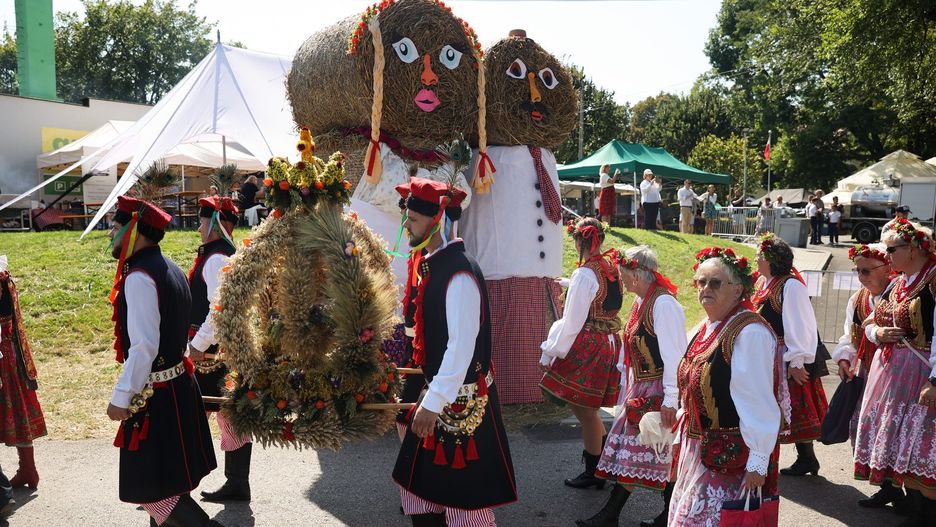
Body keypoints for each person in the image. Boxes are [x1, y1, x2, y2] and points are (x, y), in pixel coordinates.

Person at [392, 178, 516, 526]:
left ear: (437, 221)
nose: (407, 226)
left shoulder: (458, 274)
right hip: (441, 394)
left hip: (459, 404)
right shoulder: (437, 264)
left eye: (413, 220)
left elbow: (461, 346)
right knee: (419, 493)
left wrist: (433, 402)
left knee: (464, 503)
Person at [106, 196, 220, 527]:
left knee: (155, 492)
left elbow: (144, 347)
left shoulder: (140, 277)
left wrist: (121, 396)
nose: (110, 234)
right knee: (167, 485)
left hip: (157, 397)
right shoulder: (169, 267)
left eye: (115, 227)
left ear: (135, 231)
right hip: (177, 387)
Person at [670, 247, 785, 526]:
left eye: (715, 282)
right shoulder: (707, 326)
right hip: (701, 448)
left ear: (737, 290)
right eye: (701, 282)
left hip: (732, 456)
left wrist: (758, 461)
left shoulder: (749, 332)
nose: (705, 288)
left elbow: (759, 402)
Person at [579, 246, 685, 527]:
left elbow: (675, 356)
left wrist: (671, 399)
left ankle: (611, 515)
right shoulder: (642, 301)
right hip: (642, 388)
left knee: (646, 452)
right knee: (654, 454)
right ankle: (665, 516)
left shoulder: (663, 304)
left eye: (623, 275)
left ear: (636, 275)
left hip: (659, 390)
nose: (621, 281)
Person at [858, 219, 936, 524]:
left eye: (892, 249)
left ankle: (925, 513)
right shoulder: (897, 282)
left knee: (920, 442)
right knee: (901, 439)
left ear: (913, 249)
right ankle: (910, 506)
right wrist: (878, 333)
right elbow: (870, 322)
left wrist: (935, 381)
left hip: (921, 373)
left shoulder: (932, 280)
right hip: (893, 374)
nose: (886, 254)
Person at [541, 217, 622, 490]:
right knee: (588, 408)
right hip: (609, 341)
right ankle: (604, 463)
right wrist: (570, 283)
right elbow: (597, 293)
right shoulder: (610, 267)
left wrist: (550, 351)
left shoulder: (585, 273)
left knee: (584, 409)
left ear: (578, 242)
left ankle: (595, 471)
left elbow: (572, 322)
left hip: (590, 345)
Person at [186, 197, 253, 503]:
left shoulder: (216, 258)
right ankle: (236, 482)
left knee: (197, 413)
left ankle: (177, 487)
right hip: (216, 349)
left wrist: (197, 345)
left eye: (202, 222)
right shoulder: (219, 255)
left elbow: (219, 310)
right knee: (227, 413)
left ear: (216, 224)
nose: (199, 228)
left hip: (212, 353)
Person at [753, 233, 828, 477]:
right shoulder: (765, 283)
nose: (755, 259)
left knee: (795, 406)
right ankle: (800, 458)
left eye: (759, 255)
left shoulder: (791, 285)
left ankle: (805, 458)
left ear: (771, 259)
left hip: (784, 355)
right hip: (767, 356)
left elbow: (801, 324)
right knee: (776, 407)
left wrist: (797, 360)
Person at [831, 244, 893, 449]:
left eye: (866, 271)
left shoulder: (899, 297)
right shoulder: (857, 299)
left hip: (892, 376)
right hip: (865, 374)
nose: (860, 277)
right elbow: (849, 336)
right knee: (864, 430)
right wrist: (844, 359)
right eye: (857, 270)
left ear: (887, 268)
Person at [0, 256, 46, 489]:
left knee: (14, 408)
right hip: (11, 351)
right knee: (18, 409)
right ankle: (28, 469)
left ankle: (25, 471)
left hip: (3, 352)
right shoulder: (3, 275)